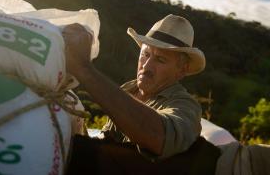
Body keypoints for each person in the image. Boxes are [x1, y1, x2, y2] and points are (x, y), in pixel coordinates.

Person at [63, 14, 220, 174]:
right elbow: (107, 139)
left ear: (182, 70)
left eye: (160, 59)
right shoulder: (129, 89)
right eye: (145, 54)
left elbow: (160, 137)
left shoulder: (186, 105)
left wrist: (84, 69)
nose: (147, 65)